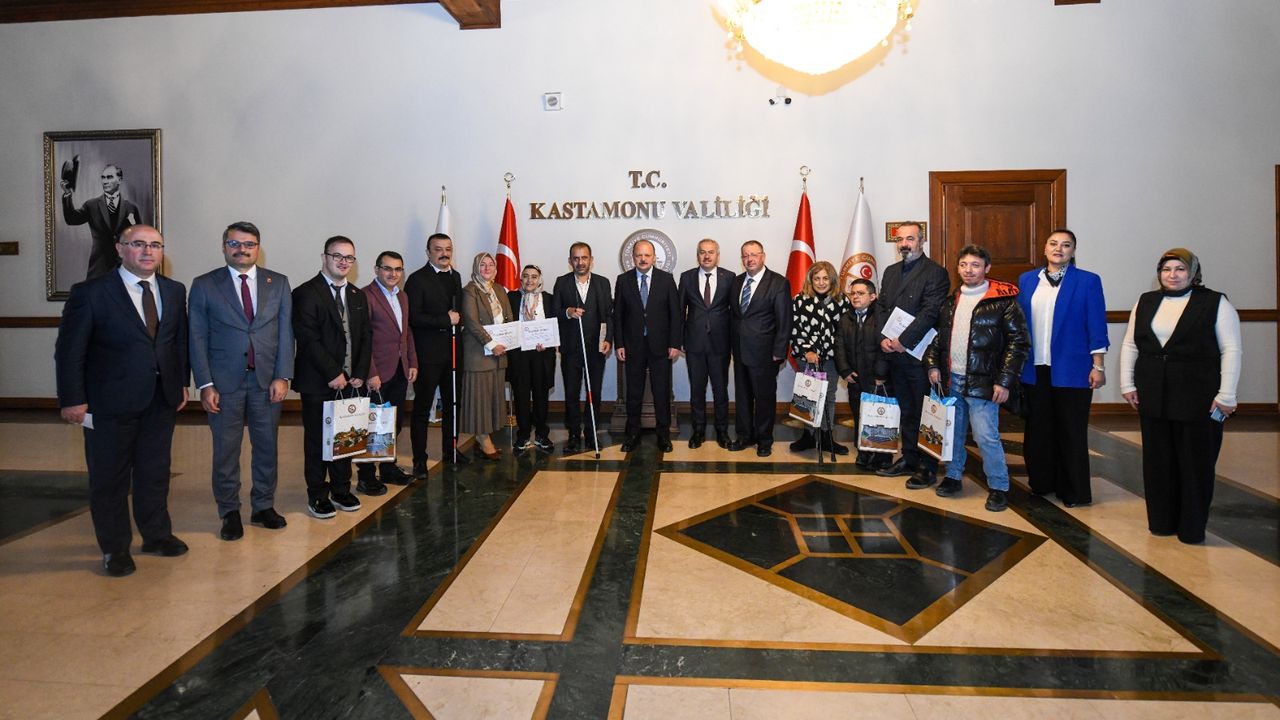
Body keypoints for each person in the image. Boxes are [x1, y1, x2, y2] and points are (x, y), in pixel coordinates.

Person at [54, 224, 189, 577]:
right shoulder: (91, 293)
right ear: (119, 248)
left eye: (155, 245)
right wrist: (73, 399)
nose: (148, 251)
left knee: (154, 473)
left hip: (160, 399)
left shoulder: (174, 290)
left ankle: (156, 535)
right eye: (138, 244)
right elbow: (69, 351)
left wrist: (180, 382)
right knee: (109, 479)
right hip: (108, 403)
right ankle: (114, 549)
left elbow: (177, 341)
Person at [1120, 248, 1241, 544]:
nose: (1172, 275)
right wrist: (1127, 384)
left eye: (1180, 269)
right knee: (1158, 462)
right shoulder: (1146, 301)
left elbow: (1231, 350)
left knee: (1195, 463)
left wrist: (1227, 394)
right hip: (1153, 394)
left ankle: (1191, 528)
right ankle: (1162, 522)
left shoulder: (1215, 302)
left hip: (1198, 396)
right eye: (1166, 269)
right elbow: (1130, 345)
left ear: (1193, 273)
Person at [188, 221, 293, 541]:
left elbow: (285, 332)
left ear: (258, 248)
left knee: (266, 447)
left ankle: (263, 505)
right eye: (234, 244)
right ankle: (229, 511)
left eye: (249, 244)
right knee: (226, 451)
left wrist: (283, 375)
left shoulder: (278, 283)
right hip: (223, 384)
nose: (242, 249)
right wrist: (205, 384)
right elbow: (196, 337)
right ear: (224, 247)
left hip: (266, 381)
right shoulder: (205, 285)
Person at [923, 245, 1030, 512]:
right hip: (952, 380)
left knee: (986, 436)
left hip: (984, 383)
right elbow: (939, 340)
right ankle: (953, 476)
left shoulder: (1004, 302)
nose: (968, 270)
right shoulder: (950, 302)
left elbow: (1018, 343)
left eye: (975, 265)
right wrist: (933, 365)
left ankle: (999, 486)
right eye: (964, 265)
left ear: (987, 268)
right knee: (953, 433)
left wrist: (1004, 381)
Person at [1016, 229, 1109, 507]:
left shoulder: (1088, 281)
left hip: (1073, 369)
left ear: (1073, 251)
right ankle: (1042, 483)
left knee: (1071, 431)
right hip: (1035, 369)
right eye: (1054, 244)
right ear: (1044, 249)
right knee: (1038, 430)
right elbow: (1018, 324)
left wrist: (1098, 366)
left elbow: (1096, 325)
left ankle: (1074, 491)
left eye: (1066, 245)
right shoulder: (1027, 280)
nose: (1059, 249)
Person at [292, 236, 372, 519]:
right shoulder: (305, 293)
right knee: (318, 441)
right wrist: (333, 372)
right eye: (337, 255)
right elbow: (308, 338)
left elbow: (365, 336)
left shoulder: (357, 295)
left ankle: (341, 489)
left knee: (346, 438)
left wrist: (360, 372)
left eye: (349, 257)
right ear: (324, 257)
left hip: (351, 383)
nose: (343, 261)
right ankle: (317, 494)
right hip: (318, 382)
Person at [875, 223, 951, 488]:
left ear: (921, 240)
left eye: (910, 238)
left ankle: (927, 467)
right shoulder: (890, 271)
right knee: (906, 410)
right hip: (894, 355)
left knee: (924, 413)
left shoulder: (935, 272)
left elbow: (930, 312)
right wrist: (883, 338)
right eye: (900, 240)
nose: (904, 244)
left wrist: (903, 341)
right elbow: (881, 307)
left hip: (920, 355)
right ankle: (909, 458)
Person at [405, 233, 469, 472]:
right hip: (428, 355)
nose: (444, 253)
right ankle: (419, 460)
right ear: (428, 252)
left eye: (448, 249)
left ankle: (450, 450)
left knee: (453, 404)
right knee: (422, 408)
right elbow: (413, 317)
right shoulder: (416, 279)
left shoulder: (456, 276)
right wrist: (445, 320)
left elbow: (458, 314)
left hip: (453, 354)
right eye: (438, 249)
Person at [614, 240, 683, 453]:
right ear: (633, 258)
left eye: (647, 255)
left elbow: (676, 314)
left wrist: (675, 343)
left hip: (660, 346)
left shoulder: (666, 279)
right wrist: (619, 343)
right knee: (633, 393)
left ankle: (663, 435)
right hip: (633, 346)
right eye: (639, 255)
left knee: (661, 392)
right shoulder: (623, 280)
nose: (643, 259)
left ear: (654, 258)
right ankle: (632, 434)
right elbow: (618, 316)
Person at [359, 251, 418, 492]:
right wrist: (370, 372)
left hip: (399, 370)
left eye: (398, 269)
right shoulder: (365, 296)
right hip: (377, 373)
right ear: (376, 270)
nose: (393, 273)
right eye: (387, 268)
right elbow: (363, 339)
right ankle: (366, 476)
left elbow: (406, 332)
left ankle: (388, 468)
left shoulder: (402, 296)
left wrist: (412, 361)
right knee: (372, 425)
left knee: (393, 423)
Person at [728, 240, 792, 457]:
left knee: (764, 398)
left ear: (763, 256)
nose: (750, 259)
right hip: (740, 351)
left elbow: (784, 320)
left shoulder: (778, 283)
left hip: (765, 353)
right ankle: (744, 435)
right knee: (743, 396)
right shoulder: (736, 282)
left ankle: (764, 440)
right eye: (745, 255)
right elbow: (734, 316)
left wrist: (780, 351)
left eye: (754, 255)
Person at [553, 242, 613, 454]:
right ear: (570, 261)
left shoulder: (603, 283)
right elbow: (554, 311)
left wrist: (608, 340)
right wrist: (567, 312)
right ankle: (572, 434)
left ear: (591, 260)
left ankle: (591, 433)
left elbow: (608, 315)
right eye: (576, 258)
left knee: (593, 393)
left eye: (584, 257)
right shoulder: (562, 282)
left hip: (596, 349)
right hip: (570, 349)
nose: (580, 262)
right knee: (571, 393)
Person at [790, 261, 851, 456]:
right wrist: (807, 351)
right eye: (817, 278)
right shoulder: (800, 300)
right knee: (809, 395)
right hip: (807, 358)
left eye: (825, 278)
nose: (821, 282)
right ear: (810, 280)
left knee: (829, 395)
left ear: (832, 280)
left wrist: (838, 353)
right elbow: (795, 329)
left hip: (832, 359)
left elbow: (846, 331)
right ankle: (808, 435)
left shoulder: (842, 301)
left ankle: (826, 436)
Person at [678, 238, 735, 449]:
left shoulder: (730, 277)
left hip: (721, 344)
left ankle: (722, 431)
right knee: (697, 390)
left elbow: (736, 312)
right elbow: (679, 311)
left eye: (711, 252)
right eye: (702, 252)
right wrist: (679, 340)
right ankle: (698, 431)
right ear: (698, 255)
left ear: (717, 255)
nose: (707, 256)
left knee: (721, 390)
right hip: (694, 344)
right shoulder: (687, 277)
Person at [459, 253, 514, 460]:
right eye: (483, 264)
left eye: (491, 264)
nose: (487, 268)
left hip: (499, 354)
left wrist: (509, 339)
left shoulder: (498, 289)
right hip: (479, 354)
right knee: (479, 399)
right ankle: (483, 440)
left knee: (492, 398)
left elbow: (508, 318)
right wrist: (491, 344)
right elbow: (472, 323)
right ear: (476, 267)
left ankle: (484, 437)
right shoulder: (470, 290)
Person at [835, 278, 892, 469]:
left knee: (878, 417)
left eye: (860, 293)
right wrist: (845, 370)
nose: (855, 297)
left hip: (876, 378)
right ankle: (864, 450)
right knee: (859, 414)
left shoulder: (881, 318)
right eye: (852, 293)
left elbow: (885, 349)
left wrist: (880, 374)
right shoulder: (846, 318)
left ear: (873, 296)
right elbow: (839, 347)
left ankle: (882, 455)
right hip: (855, 378)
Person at [61, 163, 143, 280]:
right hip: (98, 268)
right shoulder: (91, 205)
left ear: (119, 180)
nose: (105, 181)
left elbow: (140, 238)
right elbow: (71, 219)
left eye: (109, 177)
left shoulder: (131, 208)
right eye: (103, 178)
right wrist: (67, 194)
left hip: (126, 268)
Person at [507, 264, 557, 452]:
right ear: (521, 279)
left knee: (541, 394)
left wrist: (548, 342)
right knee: (521, 395)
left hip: (542, 355)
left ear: (539, 280)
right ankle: (523, 434)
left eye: (534, 276)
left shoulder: (549, 299)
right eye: (526, 276)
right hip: (519, 354)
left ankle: (542, 434)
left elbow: (555, 326)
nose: (530, 280)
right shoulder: (511, 297)